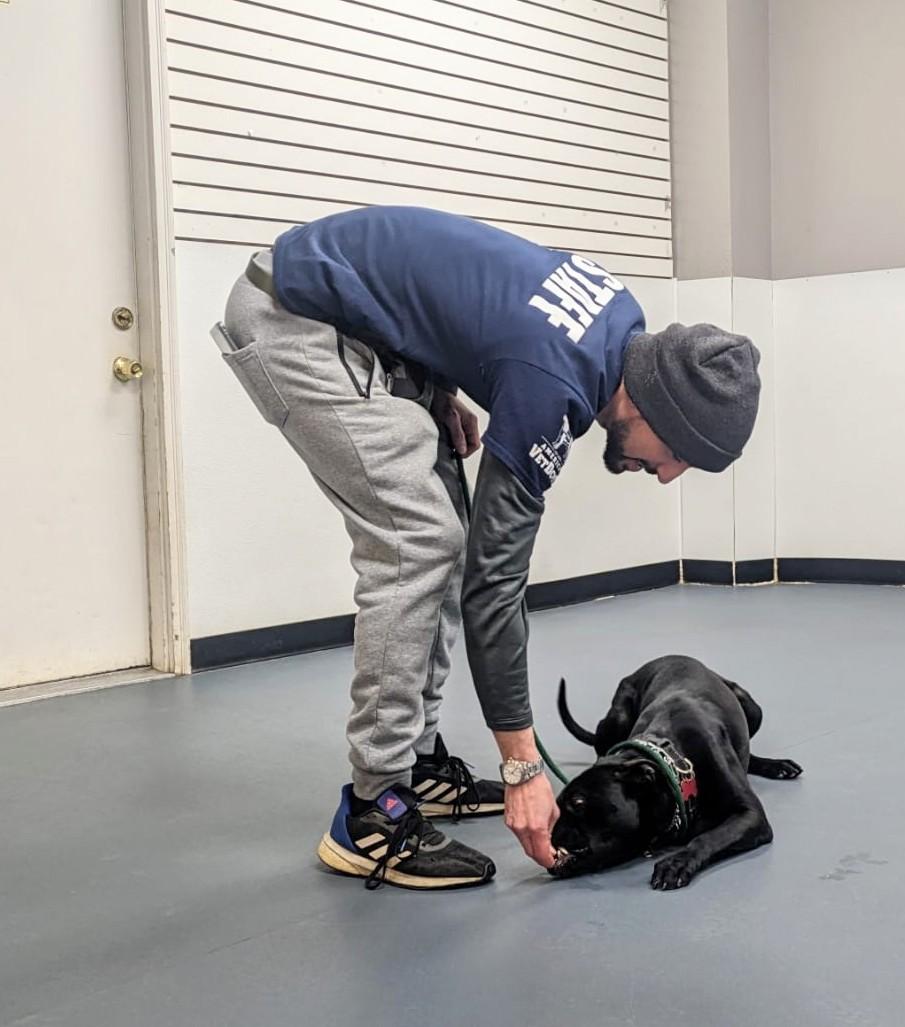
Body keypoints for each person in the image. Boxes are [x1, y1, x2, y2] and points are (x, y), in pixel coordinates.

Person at [217, 206, 761, 890]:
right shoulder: (554, 385)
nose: (668, 473)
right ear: (658, 410)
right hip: (294, 319)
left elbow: (461, 299)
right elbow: (494, 585)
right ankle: (371, 810)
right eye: (681, 453)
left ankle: (415, 764)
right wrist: (522, 767)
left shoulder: (617, 322)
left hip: (360, 328)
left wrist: (440, 386)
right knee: (420, 542)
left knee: (444, 528)